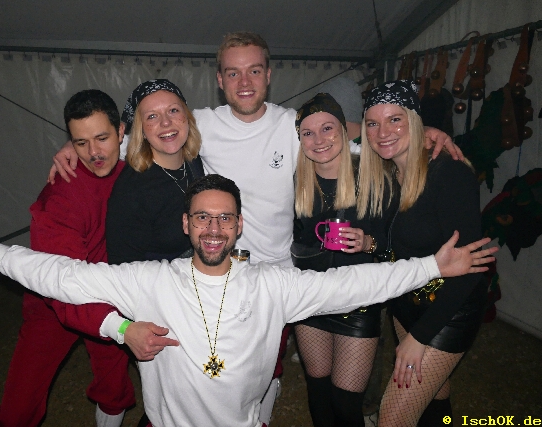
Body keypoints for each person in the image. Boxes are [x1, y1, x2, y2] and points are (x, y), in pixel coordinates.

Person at [48, 32, 461, 422]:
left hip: (277, 277)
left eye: (254, 71)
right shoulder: (196, 124)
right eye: (233, 73)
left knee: (268, 368)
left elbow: (349, 137)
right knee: (208, 374)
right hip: (214, 276)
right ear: (219, 80)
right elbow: (121, 136)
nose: (244, 82)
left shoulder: (292, 125)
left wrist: (421, 133)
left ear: (268, 75)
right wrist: (73, 145)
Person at [0, 174, 496, 427]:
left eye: (224, 219)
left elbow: (353, 285)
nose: (213, 228)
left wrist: (432, 266)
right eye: (202, 217)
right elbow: (67, 277)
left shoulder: (272, 284)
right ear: (186, 224)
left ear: (239, 226)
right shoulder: (152, 281)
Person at [0, 90, 176, 427]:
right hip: (55, 303)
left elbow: (172, 132)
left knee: (114, 387)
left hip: (110, 295)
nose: (94, 153)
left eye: (102, 138)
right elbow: (60, 285)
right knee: (19, 404)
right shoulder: (59, 197)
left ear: (121, 132)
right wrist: (121, 328)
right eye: (80, 142)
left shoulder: (134, 171)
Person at [359, 80, 488, 426]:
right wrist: (370, 244)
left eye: (395, 120)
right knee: (435, 393)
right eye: (373, 123)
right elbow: (401, 247)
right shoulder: (387, 174)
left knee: (392, 418)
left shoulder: (449, 173)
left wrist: (420, 337)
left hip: (448, 312)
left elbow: (471, 269)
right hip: (406, 305)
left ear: (415, 122)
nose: (383, 132)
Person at [291, 92, 393, 427]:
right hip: (312, 301)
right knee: (319, 395)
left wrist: (368, 242)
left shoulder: (373, 177)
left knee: (346, 405)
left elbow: (397, 245)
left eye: (327, 128)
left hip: (358, 303)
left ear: (344, 130)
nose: (318, 140)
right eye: (308, 133)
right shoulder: (297, 181)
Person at [106, 79, 204, 265]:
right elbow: (122, 267)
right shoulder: (132, 190)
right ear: (141, 130)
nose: (166, 122)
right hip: (157, 280)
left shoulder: (193, 161)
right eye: (152, 116)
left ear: (187, 117)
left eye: (173, 110)